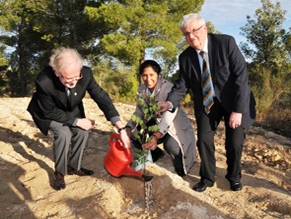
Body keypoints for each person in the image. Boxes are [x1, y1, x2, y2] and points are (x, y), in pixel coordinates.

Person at [157, 13, 256, 192]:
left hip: (234, 100)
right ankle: (207, 178)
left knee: (234, 142)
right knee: (203, 139)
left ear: (205, 29)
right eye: (186, 34)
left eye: (194, 31)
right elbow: (181, 85)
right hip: (207, 102)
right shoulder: (185, 57)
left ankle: (234, 176)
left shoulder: (226, 43)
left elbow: (241, 77)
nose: (191, 36)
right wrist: (169, 103)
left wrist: (238, 111)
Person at [27, 47, 130, 190]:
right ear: (57, 73)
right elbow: (49, 112)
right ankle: (60, 173)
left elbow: (102, 98)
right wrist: (78, 121)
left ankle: (74, 167)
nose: (74, 82)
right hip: (48, 112)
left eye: (77, 77)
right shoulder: (44, 81)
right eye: (69, 78)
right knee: (63, 133)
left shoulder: (86, 74)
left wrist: (121, 128)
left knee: (82, 131)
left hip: (71, 109)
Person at [125, 60, 196, 176]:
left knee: (171, 146)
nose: (148, 79)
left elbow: (169, 115)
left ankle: (180, 168)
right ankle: (156, 153)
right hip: (156, 123)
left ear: (158, 74)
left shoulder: (168, 87)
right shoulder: (142, 89)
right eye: (145, 75)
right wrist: (128, 127)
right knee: (134, 133)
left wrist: (155, 136)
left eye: (151, 75)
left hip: (174, 126)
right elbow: (139, 112)